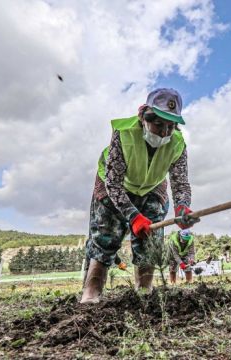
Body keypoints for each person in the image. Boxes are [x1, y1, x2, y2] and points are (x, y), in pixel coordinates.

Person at [81, 88, 198, 304]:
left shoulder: (178, 144)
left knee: (149, 240)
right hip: (114, 186)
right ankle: (91, 294)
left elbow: (180, 182)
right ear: (143, 116)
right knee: (105, 237)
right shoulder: (123, 133)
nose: (164, 132)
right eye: (159, 125)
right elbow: (114, 184)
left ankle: (144, 293)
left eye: (170, 126)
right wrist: (133, 217)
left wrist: (182, 207)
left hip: (152, 188)